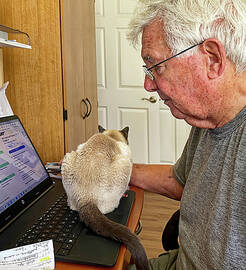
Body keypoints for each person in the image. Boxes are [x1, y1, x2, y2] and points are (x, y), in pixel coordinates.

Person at [127, 0, 246, 269]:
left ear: (213, 59)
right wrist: (118, 171)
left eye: (156, 66)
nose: (148, 84)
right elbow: (182, 180)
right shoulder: (207, 119)